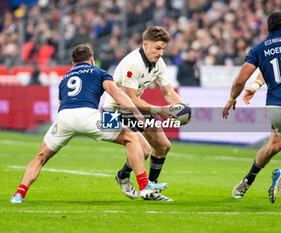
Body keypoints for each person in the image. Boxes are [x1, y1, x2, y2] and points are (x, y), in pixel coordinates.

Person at [10, 44, 168, 203]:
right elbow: (116, 92)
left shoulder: (65, 78)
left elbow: (61, 103)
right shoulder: (98, 72)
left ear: (73, 63)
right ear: (92, 60)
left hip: (64, 118)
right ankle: (143, 186)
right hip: (88, 116)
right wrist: (135, 112)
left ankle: (19, 194)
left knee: (40, 157)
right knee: (132, 138)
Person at [222, 12, 281, 204]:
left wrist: (231, 99)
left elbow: (240, 80)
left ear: (267, 29)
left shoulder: (259, 49)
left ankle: (252, 179)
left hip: (274, 106)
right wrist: (255, 86)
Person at [103, 26, 191, 201]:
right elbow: (130, 98)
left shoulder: (159, 63)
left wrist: (182, 106)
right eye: (158, 48)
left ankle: (150, 189)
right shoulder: (132, 62)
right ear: (145, 44)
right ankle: (125, 177)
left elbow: (167, 92)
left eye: (163, 49)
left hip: (134, 111)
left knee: (163, 146)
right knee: (143, 150)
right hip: (114, 111)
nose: (161, 53)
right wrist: (159, 110)